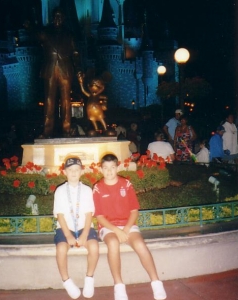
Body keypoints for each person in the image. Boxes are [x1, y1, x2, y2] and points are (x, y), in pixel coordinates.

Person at [93, 154, 167, 300]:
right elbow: (99, 216)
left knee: (140, 244)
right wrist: (117, 231)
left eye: (112, 168)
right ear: (101, 169)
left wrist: (125, 230)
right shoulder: (98, 188)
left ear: (117, 167)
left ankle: (156, 282)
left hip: (127, 225)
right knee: (113, 243)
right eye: (106, 168)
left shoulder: (126, 184)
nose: (109, 171)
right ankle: (119, 286)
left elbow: (134, 210)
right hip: (108, 227)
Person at [53, 157, 99, 299]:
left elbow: (89, 214)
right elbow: (59, 215)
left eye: (76, 170)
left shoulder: (86, 190)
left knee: (94, 247)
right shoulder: (60, 191)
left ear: (81, 172)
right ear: (65, 172)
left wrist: (85, 234)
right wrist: (68, 236)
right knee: (61, 249)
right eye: (70, 170)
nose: (73, 172)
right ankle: (66, 281)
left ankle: (89, 278)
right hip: (66, 228)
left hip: (83, 227)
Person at [36, 7, 82, 138]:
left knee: (66, 100)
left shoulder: (69, 34)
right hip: (50, 68)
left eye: (60, 16)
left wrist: (78, 68)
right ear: (52, 18)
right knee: (49, 100)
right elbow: (36, 34)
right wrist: (30, 25)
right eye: (55, 16)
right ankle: (47, 130)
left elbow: (75, 52)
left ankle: (66, 130)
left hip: (65, 68)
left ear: (64, 19)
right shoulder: (46, 32)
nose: (57, 19)